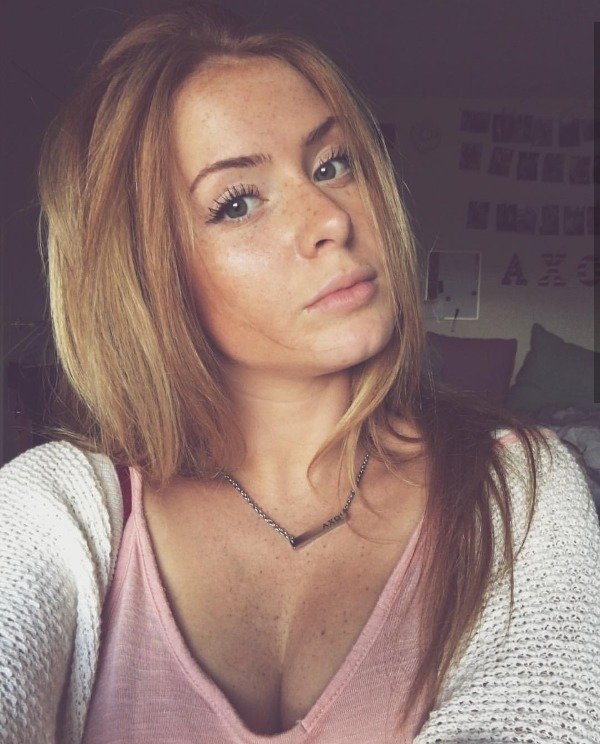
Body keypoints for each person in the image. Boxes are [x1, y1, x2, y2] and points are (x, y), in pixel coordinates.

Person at [1, 3, 599, 743]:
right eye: (237, 203)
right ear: (147, 278)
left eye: (332, 165)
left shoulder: (524, 491)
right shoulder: (55, 508)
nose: (332, 218)